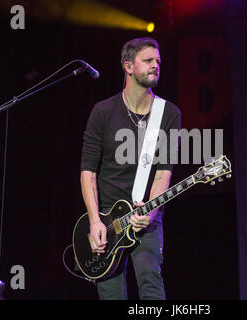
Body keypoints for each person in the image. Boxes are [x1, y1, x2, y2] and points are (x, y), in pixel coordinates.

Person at [80, 37, 181, 300]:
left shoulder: (168, 113)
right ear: (128, 66)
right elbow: (88, 171)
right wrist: (94, 221)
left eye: (158, 61)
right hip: (107, 220)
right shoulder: (102, 111)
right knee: (111, 293)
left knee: (150, 281)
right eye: (148, 61)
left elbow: (163, 171)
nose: (155, 66)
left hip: (146, 214)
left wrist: (151, 209)